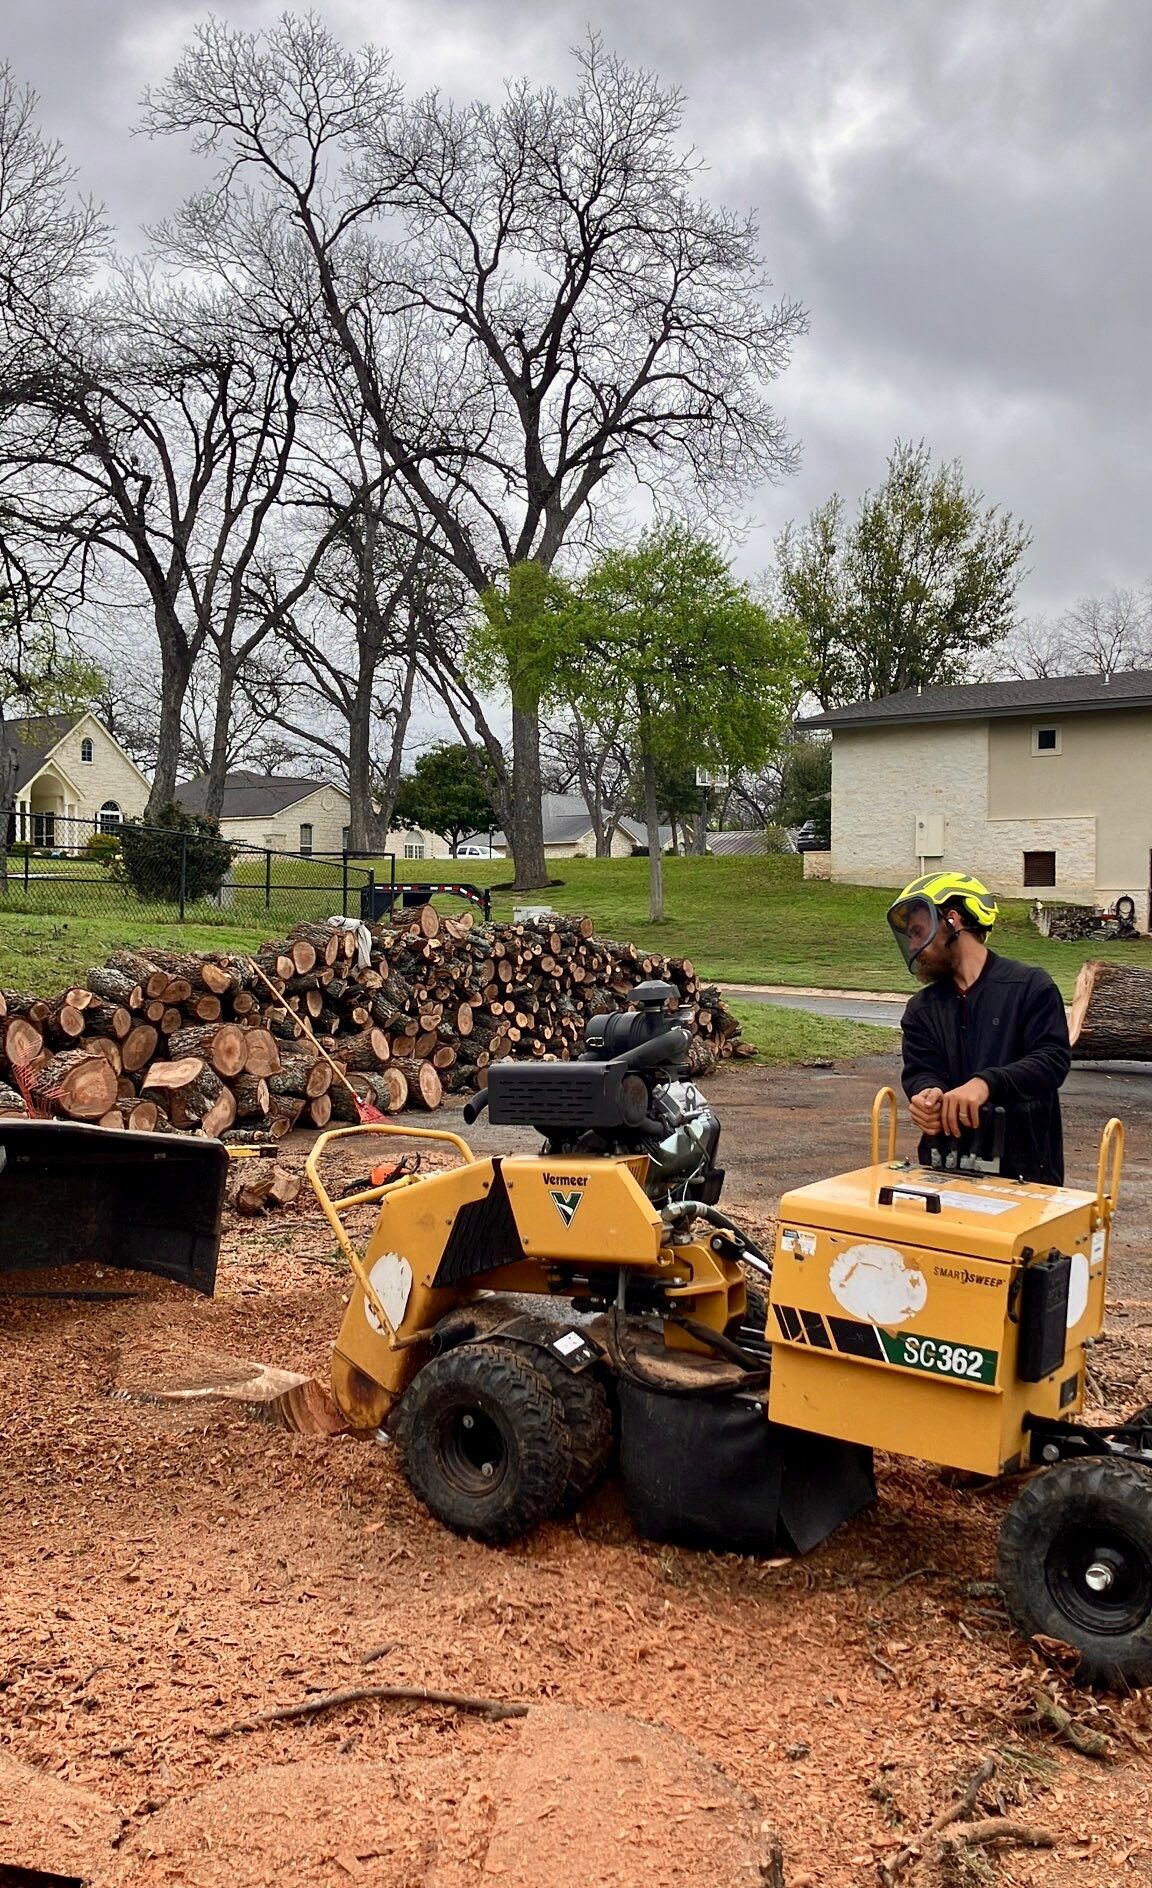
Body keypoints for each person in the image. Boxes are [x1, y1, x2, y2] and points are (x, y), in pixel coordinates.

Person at [886, 870, 1071, 1184]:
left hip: (1027, 1175)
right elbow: (921, 1071)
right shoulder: (921, 1008)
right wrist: (925, 1094)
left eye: (918, 932)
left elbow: (1052, 1061)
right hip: (943, 1172)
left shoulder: (1030, 986)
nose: (914, 945)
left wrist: (985, 1084)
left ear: (952, 920)